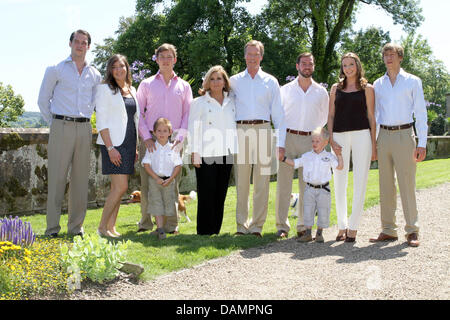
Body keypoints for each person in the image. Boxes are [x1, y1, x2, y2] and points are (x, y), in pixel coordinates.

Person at [38, 30, 101, 237]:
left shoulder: (95, 74)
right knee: (56, 178)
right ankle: (52, 229)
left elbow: (95, 102)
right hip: (61, 126)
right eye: (77, 41)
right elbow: (43, 100)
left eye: (84, 42)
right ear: (70, 43)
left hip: (84, 128)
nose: (80, 45)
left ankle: (76, 227)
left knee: (81, 180)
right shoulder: (56, 69)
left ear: (89, 46)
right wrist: (56, 124)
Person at [370, 43, 427, 247]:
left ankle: (412, 230)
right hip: (384, 135)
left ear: (400, 57)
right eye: (385, 54)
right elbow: (375, 115)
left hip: (405, 135)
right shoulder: (378, 84)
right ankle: (388, 230)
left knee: (406, 184)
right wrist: (374, 144)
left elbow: (420, 113)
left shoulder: (413, 81)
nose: (388, 58)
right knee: (385, 185)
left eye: (392, 54)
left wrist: (422, 143)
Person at [230, 40, 286, 237]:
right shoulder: (234, 80)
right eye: (249, 54)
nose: (252, 57)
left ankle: (257, 227)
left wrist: (281, 143)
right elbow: (225, 107)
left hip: (264, 129)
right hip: (241, 130)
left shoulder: (270, 81)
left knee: (262, 182)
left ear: (261, 56)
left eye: (256, 54)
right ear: (244, 56)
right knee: (242, 181)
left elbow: (278, 114)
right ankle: (241, 226)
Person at [136, 43, 193, 234]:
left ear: (175, 60)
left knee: (172, 183)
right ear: (157, 60)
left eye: (169, 57)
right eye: (162, 57)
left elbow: (188, 114)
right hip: (150, 139)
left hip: (174, 139)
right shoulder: (146, 84)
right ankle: (146, 223)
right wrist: (146, 138)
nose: (166, 60)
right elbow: (139, 114)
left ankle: (171, 225)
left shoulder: (184, 86)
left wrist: (181, 138)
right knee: (147, 183)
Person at [275, 52, 329, 239]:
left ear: (313, 67)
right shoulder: (285, 90)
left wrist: (317, 140)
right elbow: (279, 118)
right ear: (297, 66)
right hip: (288, 137)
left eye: (310, 64)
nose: (307, 66)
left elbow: (323, 119)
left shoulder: (321, 92)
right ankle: (282, 226)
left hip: (310, 141)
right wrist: (280, 144)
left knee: (307, 186)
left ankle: (303, 226)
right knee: (284, 185)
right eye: (304, 63)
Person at [327, 52, 377, 242]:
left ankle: (353, 226)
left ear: (357, 65)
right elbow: (330, 115)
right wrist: (331, 139)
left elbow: (372, 117)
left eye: (351, 65)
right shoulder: (335, 88)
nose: (348, 68)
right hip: (339, 136)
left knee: (360, 181)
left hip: (362, 136)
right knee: (339, 181)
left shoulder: (368, 88)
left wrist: (374, 145)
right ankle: (342, 225)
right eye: (344, 65)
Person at [188, 65, 237, 235]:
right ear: (207, 82)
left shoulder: (232, 101)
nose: (216, 82)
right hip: (206, 153)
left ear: (225, 82)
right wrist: (195, 153)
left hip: (226, 153)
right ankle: (203, 231)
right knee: (206, 194)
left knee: (220, 194)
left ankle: (215, 230)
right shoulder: (198, 103)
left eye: (219, 78)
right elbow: (193, 129)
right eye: (212, 79)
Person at [95, 54, 139, 238]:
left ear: (127, 68)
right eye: (114, 67)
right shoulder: (105, 89)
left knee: (117, 188)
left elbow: (134, 119)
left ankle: (111, 228)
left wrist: (135, 147)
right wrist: (110, 148)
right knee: (121, 187)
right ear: (110, 70)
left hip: (129, 142)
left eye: (122, 66)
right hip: (113, 144)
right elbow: (102, 121)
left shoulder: (132, 89)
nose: (119, 70)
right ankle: (101, 227)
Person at [284, 127, 344, 242]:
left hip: (324, 189)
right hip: (309, 189)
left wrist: (339, 155)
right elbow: (295, 163)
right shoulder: (307, 156)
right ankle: (307, 234)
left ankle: (319, 234)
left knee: (323, 210)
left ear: (325, 142)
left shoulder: (329, 157)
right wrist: (284, 158)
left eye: (317, 141)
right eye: (313, 141)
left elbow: (340, 167)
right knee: (308, 210)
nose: (314, 143)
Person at [142, 118, 182, 240]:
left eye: (165, 131)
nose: (162, 133)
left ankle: (166, 227)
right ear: (154, 132)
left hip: (168, 181)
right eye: (159, 131)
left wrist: (170, 179)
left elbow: (178, 165)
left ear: (170, 132)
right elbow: (146, 165)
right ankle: (160, 230)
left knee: (168, 204)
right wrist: (156, 178)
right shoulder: (151, 148)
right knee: (156, 204)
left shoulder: (173, 148)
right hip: (155, 181)